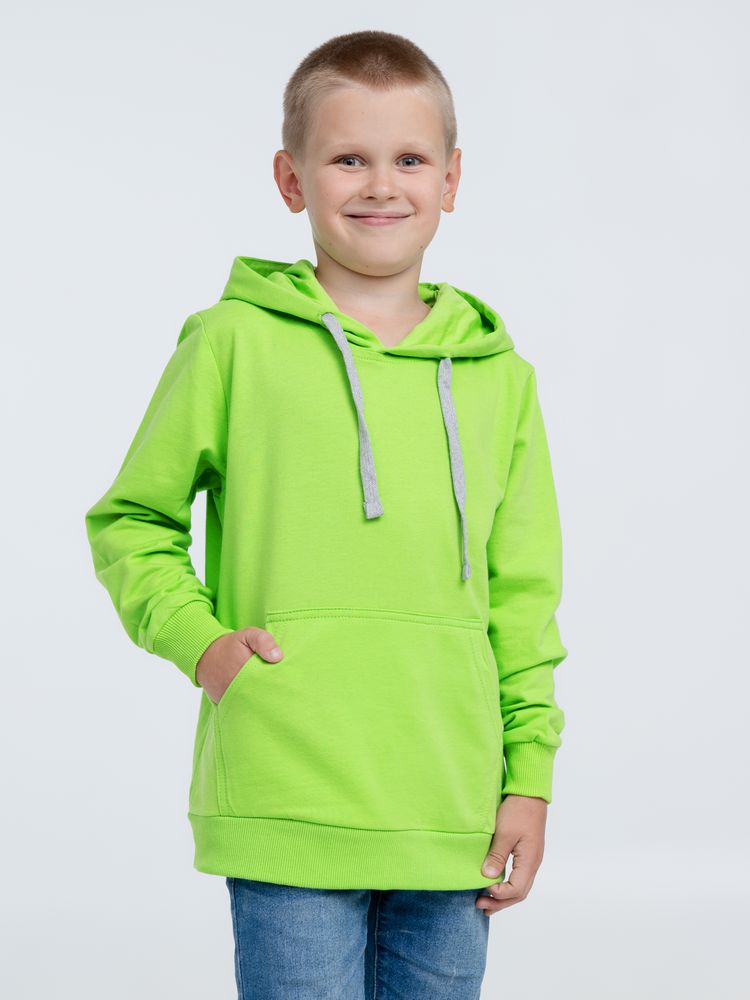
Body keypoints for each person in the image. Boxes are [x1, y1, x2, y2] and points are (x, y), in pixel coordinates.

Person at [84, 28, 568, 1000]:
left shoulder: (499, 378)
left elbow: (524, 598)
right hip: (287, 785)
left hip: (451, 802)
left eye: (410, 160)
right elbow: (131, 520)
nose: (380, 184)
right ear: (291, 178)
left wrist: (529, 774)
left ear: (451, 179)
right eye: (349, 158)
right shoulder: (232, 342)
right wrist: (202, 645)